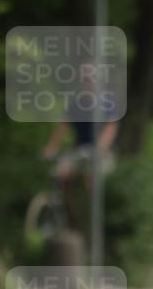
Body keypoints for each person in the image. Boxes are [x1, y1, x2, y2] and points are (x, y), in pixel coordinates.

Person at [42, 68, 118, 228]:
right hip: (79, 150)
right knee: (60, 174)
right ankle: (67, 215)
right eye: (85, 79)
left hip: (100, 152)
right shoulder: (76, 104)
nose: (88, 82)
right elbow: (62, 128)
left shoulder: (107, 102)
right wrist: (51, 147)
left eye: (90, 78)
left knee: (91, 176)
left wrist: (99, 148)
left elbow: (111, 128)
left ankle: (93, 217)